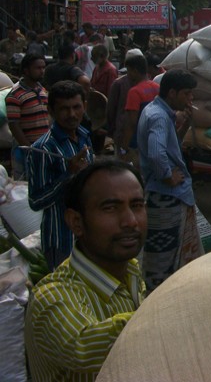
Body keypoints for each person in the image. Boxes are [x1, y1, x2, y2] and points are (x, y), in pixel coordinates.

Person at [25, 159, 146, 382]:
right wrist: (169, 310)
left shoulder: (131, 271)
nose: (130, 221)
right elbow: (82, 347)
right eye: (110, 208)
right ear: (76, 222)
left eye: (137, 206)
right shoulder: (52, 299)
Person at [136, 69, 200, 291]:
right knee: (162, 259)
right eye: (187, 94)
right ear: (172, 93)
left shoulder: (158, 112)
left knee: (166, 253)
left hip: (164, 195)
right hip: (165, 197)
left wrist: (184, 127)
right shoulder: (159, 117)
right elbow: (155, 152)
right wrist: (168, 176)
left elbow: (172, 149)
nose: (191, 98)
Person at [27, 81, 94, 269]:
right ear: (51, 110)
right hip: (61, 240)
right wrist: (68, 175)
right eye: (64, 109)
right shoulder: (43, 149)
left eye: (76, 107)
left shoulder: (83, 137)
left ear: (85, 106)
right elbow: (36, 201)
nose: (72, 114)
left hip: (87, 236)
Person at [5, 52, 50, 147]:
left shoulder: (42, 90)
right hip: (28, 150)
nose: (42, 71)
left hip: (45, 147)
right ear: (26, 70)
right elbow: (14, 126)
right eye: (38, 68)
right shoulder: (15, 95)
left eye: (43, 67)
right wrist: (29, 148)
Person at [119, 54, 159, 157]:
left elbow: (131, 123)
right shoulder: (157, 87)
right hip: (156, 140)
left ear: (135, 71)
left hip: (138, 144)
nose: (127, 75)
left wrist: (124, 147)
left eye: (128, 71)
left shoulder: (134, 92)